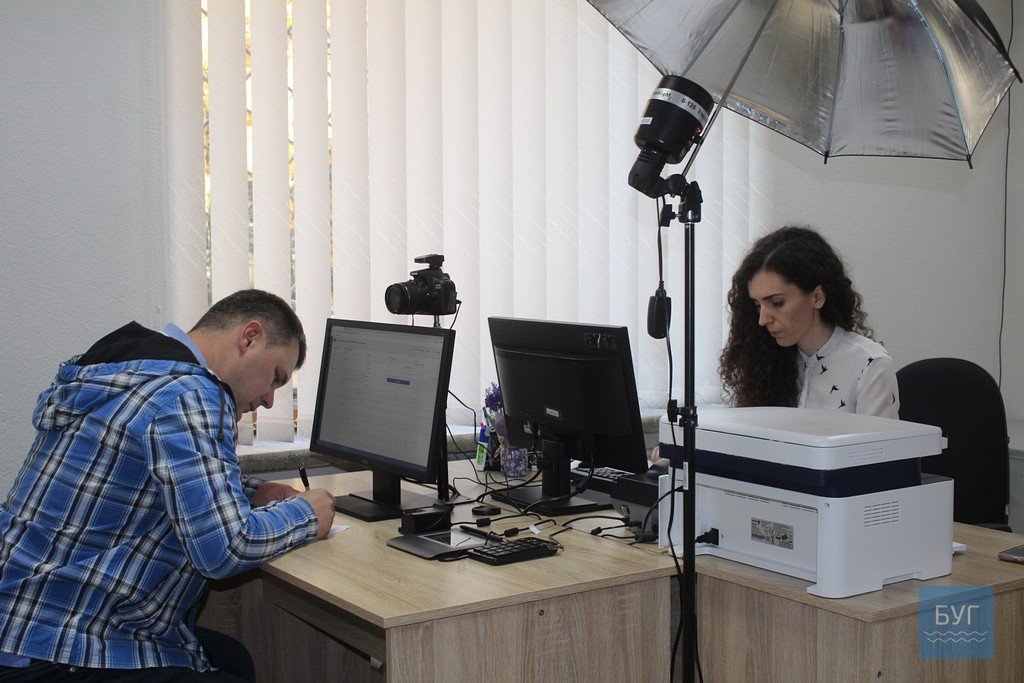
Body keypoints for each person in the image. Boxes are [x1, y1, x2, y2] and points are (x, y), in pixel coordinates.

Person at [0, 289, 336, 681]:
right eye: (275, 377)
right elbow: (226, 549)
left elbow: (156, 478)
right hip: (59, 640)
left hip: (22, 614)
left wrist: (253, 493)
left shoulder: (134, 369)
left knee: (234, 658)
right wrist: (307, 513)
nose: (269, 400)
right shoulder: (189, 394)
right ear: (249, 338)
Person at [719, 225, 899, 418]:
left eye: (777, 303)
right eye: (757, 305)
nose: (763, 320)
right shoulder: (767, 362)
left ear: (817, 297)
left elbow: (879, 438)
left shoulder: (870, 364)